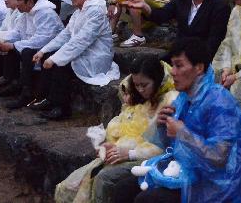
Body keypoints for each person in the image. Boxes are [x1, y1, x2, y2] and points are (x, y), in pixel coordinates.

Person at [55, 56, 178, 203]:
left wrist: (130, 153)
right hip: (125, 151)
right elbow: (123, 124)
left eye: (144, 85)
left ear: (157, 80)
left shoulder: (170, 101)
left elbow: (163, 145)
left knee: (104, 178)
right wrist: (109, 143)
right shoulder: (137, 96)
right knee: (74, 183)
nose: (140, 89)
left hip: (153, 158)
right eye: (136, 85)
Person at [141, 38, 241, 203]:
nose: (173, 72)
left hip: (218, 187)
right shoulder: (184, 99)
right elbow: (173, 148)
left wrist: (182, 132)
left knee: (146, 199)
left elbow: (219, 158)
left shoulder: (220, 102)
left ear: (199, 68)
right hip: (190, 173)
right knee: (124, 187)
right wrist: (163, 126)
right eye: (173, 65)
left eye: (179, 65)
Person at [33, 0, 120, 120]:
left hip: (96, 56)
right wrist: (43, 50)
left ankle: (61, 108)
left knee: (61, 63)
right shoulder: (79, 12)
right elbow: (65, 35)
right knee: (47, 55)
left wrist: (55, 59)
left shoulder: (96, 12)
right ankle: (48, 99)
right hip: (84, 52)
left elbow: (81, 41)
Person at [0, 0, 64, 107]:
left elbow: (41, 40)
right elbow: (17, 33)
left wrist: (13, 46)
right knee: (12, 46)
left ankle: (27, 93)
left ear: (30, 1)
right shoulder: (27, 13)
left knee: (24, 51)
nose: (17, 3)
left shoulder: (46, 14)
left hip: (50, 51)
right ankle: (13, 83)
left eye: (19, 0)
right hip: (36, 49)